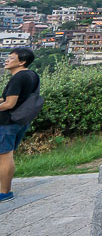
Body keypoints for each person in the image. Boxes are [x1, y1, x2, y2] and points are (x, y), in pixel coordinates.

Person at [0, 47, 38, 202]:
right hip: (21, 120)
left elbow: (10, 104)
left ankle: (4, 192)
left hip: (8, 122)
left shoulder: (18, 78)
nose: (7, 60)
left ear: (22, 62)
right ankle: (5, 190)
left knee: (5, 156)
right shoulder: (32, 75)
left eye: (11, 58)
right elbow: (18, 99)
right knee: (7, 156)